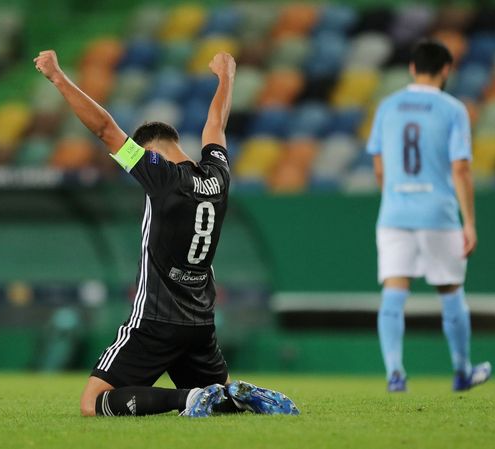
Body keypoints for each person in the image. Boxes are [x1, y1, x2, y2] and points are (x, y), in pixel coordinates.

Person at [34, 49, 299, 417]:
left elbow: (105, 130)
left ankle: (185, 400)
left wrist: (58, 78)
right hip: (201, 323)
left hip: (156, 320)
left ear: (150, 151)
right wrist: (226, 78)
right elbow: (215, 127)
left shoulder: (160, 176)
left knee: (93, 404)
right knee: (219, 398)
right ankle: (240, 397)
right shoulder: (218, 176)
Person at [366, 40, 491, 392]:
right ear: (446, 70)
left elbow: (378, 165)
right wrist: (469, 221)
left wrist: (392, 195)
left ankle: (394, 372)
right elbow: (461, 169)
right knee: (451, 291)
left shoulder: (388, 107)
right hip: (438, 212)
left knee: (393, 291)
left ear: (411, 68)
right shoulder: (453, 110)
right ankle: (462, 371)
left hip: (394, 212)